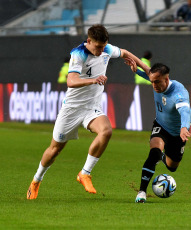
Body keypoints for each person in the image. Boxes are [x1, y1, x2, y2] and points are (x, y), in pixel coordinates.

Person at [27, 24, 143, 199]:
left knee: (106, 132)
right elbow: (71, 81)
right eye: (98, 47)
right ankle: (36, 180)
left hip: (92, 107)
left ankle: (85, 173)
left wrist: (146, 69)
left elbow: (125, 53)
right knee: (55, 150)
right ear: (89, 41)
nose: (101, 50)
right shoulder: (78, 54)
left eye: (104, 47)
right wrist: (93, 80)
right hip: (72, 109)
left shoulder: (106, 49)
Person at [124, 58, 191, 203]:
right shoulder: (155, 80)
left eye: (157, 82)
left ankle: (162, 156)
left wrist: (183, 127)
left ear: (166, 79)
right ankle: (142, 192)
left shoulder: (179, 93)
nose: (154, 85)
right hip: (161, 125)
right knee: (154, 152)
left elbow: (185, 112)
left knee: (172, 167)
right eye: (152, 82)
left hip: (177, 132)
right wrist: (136, 68)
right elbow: (145, 70)